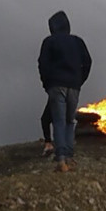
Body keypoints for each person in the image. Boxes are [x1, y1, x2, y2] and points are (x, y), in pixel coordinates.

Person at [38, 10, 92, 172]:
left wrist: (47, 84)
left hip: (56, 86)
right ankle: (69, 156)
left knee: (59, 121)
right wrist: (79, 80)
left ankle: (61, 159)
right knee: (69, 121)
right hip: (74, 86)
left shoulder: (49, 42)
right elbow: (88, 62)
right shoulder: (78, 41)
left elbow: (43, 64)